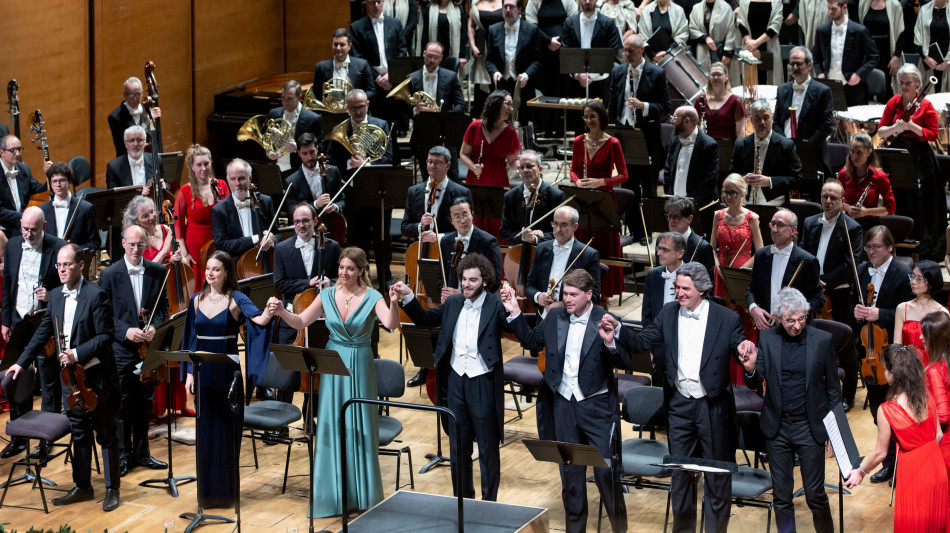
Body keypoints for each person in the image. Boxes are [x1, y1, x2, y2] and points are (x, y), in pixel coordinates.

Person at [606, 262, 757, 533]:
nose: (679, 293)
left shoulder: (726, 318)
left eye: (685, 288)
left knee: (716, 478)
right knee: (680, 477)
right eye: (676, 287)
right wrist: (617, 330)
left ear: (702, 288)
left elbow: (740, 351)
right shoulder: (668, 313)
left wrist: (747, 357)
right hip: (679, 407)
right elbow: (643, 342)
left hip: (713, 407)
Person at [267, 247, 398, 516]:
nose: (344, 273)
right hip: (333, 366)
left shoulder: (373, 296)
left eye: (350, 268)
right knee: (332, 428)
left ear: (361, 270)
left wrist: (394, 302)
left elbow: (390, 323)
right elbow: (301, 320)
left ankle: (362, 497)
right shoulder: (326, 294)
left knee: (358, 426)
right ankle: (333, 496)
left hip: (360, 366)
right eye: (341, 267)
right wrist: (282, 311)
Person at [502, 269, 627, 533]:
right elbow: (533, 341)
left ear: (589, 295)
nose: (567, 299)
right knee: (571, 475)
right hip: (564, 406)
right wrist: (514, 310)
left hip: (596, 407)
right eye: (565, 294)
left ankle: (620, 529)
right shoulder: (556, 315)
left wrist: (611, 344)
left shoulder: (605, 319)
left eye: (573, 295)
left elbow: (623, 362)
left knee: (606, 474)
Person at [5, 244, 121, 512]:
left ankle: (113, 489)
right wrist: (20, 364)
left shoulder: (97, 295)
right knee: (79, 432)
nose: (62, 269)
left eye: (67, 264)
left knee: (105, 432)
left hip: (96, 378)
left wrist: (76, 353)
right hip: (71, 382)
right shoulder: (56, 296)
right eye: (59, 265)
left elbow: (105, 337)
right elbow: (42, 332)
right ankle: (83, 486)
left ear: (81, 266)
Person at [392, 253, 511, 502]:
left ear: (485, 282)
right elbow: (425, 320)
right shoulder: (454, 304)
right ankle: (463, 503)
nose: (467, 284)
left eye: (473, 280)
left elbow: (519, 331)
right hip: (455, 382)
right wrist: (408, 296)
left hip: (482, 382)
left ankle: (490, 504)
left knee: (488, 449)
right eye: (464, 279)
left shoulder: (495, 306)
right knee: (458, 448)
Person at [742, 287, 839, 533]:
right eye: (790, 320)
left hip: (810, 426)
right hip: (778, 428)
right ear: (778, 317)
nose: (797, 325)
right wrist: (751, 368)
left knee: (815, 495)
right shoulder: (767, 339)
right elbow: (755, 381)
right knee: (782, 497)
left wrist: (835, 433)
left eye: (801, 319)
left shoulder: (822, 340)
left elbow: (833, 390)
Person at [181, 250, 274, 509]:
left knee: (226, 432)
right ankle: (207, 496)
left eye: (216, 269)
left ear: (226, 273)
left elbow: (259, 320)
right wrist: (189, 373)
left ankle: (227, 494)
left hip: (227, 374)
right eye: (208, 269)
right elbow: (190, 338)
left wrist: (269, 309)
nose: (210, 273)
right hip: (203, 374)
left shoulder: (237, 299)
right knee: (206, 433)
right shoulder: (196, 301)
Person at [844, 344, 950, 531]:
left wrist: (860, 472)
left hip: (914, 474)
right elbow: (938, 435)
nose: (884, 372)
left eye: (885, 368)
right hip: (937, 470)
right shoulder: (926, 396)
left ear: (893, 374)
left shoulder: (887, 410)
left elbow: (880, 454)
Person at [98, 225, 169, 477]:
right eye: (131, 244)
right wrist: (125, 331)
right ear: (122, 243)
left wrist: (156, 327)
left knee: (145, 400)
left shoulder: (158, 271)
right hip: (122, 350)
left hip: (148, 348)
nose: (136, 249)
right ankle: (124, 454)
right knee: (123, 403)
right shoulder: (109, 274)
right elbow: (104, 316)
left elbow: (163, 308)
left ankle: (142, 452)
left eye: (140, 245)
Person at [0, 207, 65, 458]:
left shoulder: (57, 247)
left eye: (33, 230)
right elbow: (8, 285)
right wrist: (6, 320)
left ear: (44, 226)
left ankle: (44, 440)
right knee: (16, 376)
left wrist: (50, 296)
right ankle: (18, 438)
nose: (28, 234)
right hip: (18, 320)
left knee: (48, 381)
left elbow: (67, 286)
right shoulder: (14, 245)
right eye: (25, 228)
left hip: (44, 322)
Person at [851, 224, 913, 484]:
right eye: (868, 247)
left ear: (890, 247)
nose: (871, 252)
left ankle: (901, 462)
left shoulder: (902, 272)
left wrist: (882, 314)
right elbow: (856, 309)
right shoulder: (863, 271)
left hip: (893, 349)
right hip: (870, 354)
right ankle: (888, 459)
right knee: (878, 409)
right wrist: (856, 313)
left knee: (899, 410)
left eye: (876, 247)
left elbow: (909, 311)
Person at [800, 180, 863, 409]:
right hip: (812, 292)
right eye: (825, 196)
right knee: (810, 341)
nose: (828, 201)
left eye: (833, 198)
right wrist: (811, 279)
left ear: (842, 201)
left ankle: (848, 396)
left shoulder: (851, 227)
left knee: (846, 346)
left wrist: (824, 280)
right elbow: (804, 253)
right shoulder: (809, 222)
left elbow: (850, 264)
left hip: (838, 293)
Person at [324, 89, 395, 288]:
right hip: (353, 193)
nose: (358, 111)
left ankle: (384, 278)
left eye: (362, 106)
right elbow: (331, 161)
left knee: (382, 239)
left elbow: (388, 157)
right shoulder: (341, 129)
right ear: (347, 108)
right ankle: (361, 280)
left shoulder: (381, 125)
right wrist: (350, 165)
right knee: (357, 239)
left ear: (368, 105)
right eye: (354, 107)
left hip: (378, 192)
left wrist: (366, 164)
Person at [877, 63, 945, 261]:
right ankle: (900, 243)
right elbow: (881, 130)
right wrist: (895, 128)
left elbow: (932, 135)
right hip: (898, 155)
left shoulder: (925, 105)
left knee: (921, 202)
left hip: (920, 159)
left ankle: (923, 247)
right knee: (899, 197)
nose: (904, 87)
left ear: (918, 83)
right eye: (901, 83)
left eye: (908, 83)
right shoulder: (894, 102)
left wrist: (911, 126)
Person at [610, 34, 671, 237]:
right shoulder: (618, 71)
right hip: (624, 134)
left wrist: (643, 106)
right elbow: (612, 104)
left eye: (631, 50)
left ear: (642, 49)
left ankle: (649, 231)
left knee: (648, 186)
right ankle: (635, 230)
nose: (627, 54)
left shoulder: (657, 72)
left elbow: (665, 107)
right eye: (625, 50)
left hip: (647, 136)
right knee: (628, 185)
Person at [570, 100, 627, 297]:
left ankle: (603, 295)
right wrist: (577, 182)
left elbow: (623, 175)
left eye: (592, 116)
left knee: (603, 246)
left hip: (604, 198)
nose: (588, 120)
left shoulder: (613, 143)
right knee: (583, 243)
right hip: (583, 198)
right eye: (585, 116)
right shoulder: (578, 141)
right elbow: (573, 171)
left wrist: (600, 182)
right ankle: (581, 291)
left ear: (601, 117)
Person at [273, 203, 342, 346]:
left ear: (315, 221)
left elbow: (341, 280)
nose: (301, 225)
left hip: (323, 314)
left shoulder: (331, 247)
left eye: (305, 220)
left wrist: (331, 283)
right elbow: (280, 284)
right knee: (290, 363)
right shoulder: (282, 249)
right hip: (292, 313)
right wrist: (307, 283)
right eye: (297, 222)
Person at [746, 209, 824, 330]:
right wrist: (753, 308)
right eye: (773, 224)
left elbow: (818, 299)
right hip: (766, 328)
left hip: (796, 329)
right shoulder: (761, 255)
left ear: (793, 230)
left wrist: (794, 313)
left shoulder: (807, 260)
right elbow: (752, 289)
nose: (774, 229)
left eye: (780, 225)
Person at [525, 205, 602, 315]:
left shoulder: (588, 255)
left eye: (564, 225)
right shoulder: (542, 249)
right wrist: (538, 296)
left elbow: (593, 296)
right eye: (555, 224)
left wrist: (564, 305)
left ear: (575, 227)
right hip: (543, 318)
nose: (558, 229)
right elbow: (530, 286)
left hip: (571, 319)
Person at [771, 46, 835, 178]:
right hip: (785, 152)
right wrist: (785, 143)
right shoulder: (782, 90)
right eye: (792, 64)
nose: (795, 67)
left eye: (799, 64)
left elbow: (827, 125)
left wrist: (806, 148)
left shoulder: (822, 91)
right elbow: (776, 122)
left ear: (809, 65)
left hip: (812, 154)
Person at [729, 99, 803, 206]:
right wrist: (742, 179)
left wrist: (769, 181)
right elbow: (731, 175)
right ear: (751, 120)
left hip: (775, 206)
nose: (762, 122)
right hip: (745, 204)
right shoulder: (740, 144)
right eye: (757, 118)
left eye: (766, 117)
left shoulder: (786, 145)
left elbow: (798, 180)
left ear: (772, 119)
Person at [173, 144, 229, 285]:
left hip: (219, 241)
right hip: (195, 248)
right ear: (192, 167)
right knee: (200, 285)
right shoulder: (184, 191)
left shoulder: (221, 184)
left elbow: (230, 213)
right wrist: (184, 254)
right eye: (199, 165)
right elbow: (178, 225)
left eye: (206, 163)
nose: (203, 168)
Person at [348, 0, 408, 126]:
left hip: (393, 81)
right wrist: (377, 77)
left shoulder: (395, 23)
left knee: (392, 124)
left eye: (379, 2)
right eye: (372, 2)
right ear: (366, 4)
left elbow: (402, 52)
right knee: (375, 122)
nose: (376, 5)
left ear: (383, 2)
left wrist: (390, 75)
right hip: (371, 81)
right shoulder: (356, 27)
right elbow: (359, 57)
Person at [210, 159, 278, 269]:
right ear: (227, 180)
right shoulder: (219, 210)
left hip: (266, 261)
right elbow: (222, 245)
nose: (237, 183)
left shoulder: (265, 202)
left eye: (241, 178)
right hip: (236, 267)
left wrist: (272, 239)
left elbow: (277, 234)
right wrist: (254, 239)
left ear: (250, 178)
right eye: (233, 179)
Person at [560, 0, 623, 119]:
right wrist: (579, 74)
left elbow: (613, 52)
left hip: (601, 79)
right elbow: (565, 52)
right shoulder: (569, 22)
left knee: (599, 120)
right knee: (578, 122)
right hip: (577, 81)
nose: (588, 1)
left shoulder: (608, 23)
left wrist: (591, 74)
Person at [813, 0, 880, 106]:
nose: (830, 12)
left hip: (853, 87)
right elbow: (816, 55)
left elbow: (874, 56)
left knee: (854, 121)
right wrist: (820, 73)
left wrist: (859, 74)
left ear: (844, 8)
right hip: (830, 85)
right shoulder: (822, 30)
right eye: (829, 8)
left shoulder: (860, 31)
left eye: (834, 9)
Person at [485, 0, 543, 123]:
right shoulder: (493, 30)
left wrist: (527, 75)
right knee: (500, 121)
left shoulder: (532, 29)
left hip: (523, 84)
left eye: (511, 7)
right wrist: (494, 72)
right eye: (505, 7)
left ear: (520, 9)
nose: (507, 10)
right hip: (501, 84)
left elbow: (537, 61)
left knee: (525, 122)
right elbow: (489, 60)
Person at [401, 146, 473, 242]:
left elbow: (467, 229)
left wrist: (439, 238)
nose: (432, 166)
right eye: (429, 161)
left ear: (447, 165)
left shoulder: (461, 193)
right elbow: (405, 228)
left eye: (437, 162)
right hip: (419, 251)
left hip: (448, 251)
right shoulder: (413, 192)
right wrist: (420, 226)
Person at [710, 174, 763, 297]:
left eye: (733, 193)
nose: (728, 197)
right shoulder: (717, 216)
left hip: (742, 271)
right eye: (725, 192)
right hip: (721, 270)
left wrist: (740, 271)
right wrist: (718, 269)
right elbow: (712, 247)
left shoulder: (752, 218)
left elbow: (760, 251)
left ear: (742, 193)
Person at [439, 198, 503, 297]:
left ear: (472, 214)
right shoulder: (445, 241)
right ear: (451, 220)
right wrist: (444, 293)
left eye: (465, 215)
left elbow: (495, 282)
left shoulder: (488, 242)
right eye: (457, 217)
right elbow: (440, 276)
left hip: (479, 304)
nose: (463, 220)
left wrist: (463, 294)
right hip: (450, 301)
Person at [500, 150, 566, 246]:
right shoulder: (511, 196)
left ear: (540, 168)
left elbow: (561, 231)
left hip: (546, 252)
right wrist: (523, 236)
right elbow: (505, 232)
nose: (525, 170)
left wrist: (535, 239)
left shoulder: (555, 196)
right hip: (518, 252)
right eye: (521, 167)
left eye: (530, 166)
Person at [459, 90, 521, 188]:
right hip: (475, 180)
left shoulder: (511, 132)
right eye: (508, 104)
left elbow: (512, 161)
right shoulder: (475, 126)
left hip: (499, 183)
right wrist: (473, 167)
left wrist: (522, 164)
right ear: (495, 104)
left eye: (511, 105)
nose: (511, 108)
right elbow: (463, 154)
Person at [893, 260, 949, 366]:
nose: (913, 282)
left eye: (919, 279)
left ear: (931, 282)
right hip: (908, 366)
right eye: (912, 277)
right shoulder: (902, 308)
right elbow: (897, 346)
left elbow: (944, 350)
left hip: (932, 366)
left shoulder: (941, 312)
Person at [663, 106, 719, 207]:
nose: (671, 121)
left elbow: (709, 181)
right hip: (674, 203)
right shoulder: (674, 140)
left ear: (687, 120)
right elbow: (668, 172)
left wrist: (689, 204)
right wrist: (671, 197)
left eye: (675, 118)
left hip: (699, 205)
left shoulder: (709, 145)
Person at [838, 132, 896, 228]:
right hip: (847, 224)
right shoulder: (843, 174)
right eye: (852, 151)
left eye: (859, 152)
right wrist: (848, 207)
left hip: (870, 225)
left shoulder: (880, 176)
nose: (854, 156)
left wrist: (866, 212)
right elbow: (836, 200)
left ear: (869, 152)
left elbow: (891, 208)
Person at [39, 162, 99, 251]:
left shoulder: (85, 209)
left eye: (62, 180)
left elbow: (94, 242)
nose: (58, 184)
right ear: (51, 184)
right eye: (54, 181)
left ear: (70, 182)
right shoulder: (42, 210)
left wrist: (74, 252)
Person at [283, 133, 345, 219]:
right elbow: (293, 212)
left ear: (317, 149)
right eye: (305, 153)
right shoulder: (291, 182)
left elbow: (342, 200)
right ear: (299, 153)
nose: (309, 157)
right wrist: (315, 204)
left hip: (333, 224)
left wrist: (335, 206)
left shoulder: (333, 171)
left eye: (312, 152)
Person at [266, 80, 324, 173]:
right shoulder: (274, 113)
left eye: (289, 98)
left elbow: (320, 147)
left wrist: (298, 148)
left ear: (299, 97)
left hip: (299, 170)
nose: (285, 102)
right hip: (276, 168)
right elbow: (267, 140)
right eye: (283, 98)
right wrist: (268, 152)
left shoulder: (313, 119)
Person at [0, 135, 49, 238]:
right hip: (4, 228)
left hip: (23, 226)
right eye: (12, 150)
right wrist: (25, 217)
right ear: (2, 152)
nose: (17, 154)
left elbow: (38, 190)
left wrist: (50, 176)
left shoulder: (23, 168)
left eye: (19, 149)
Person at [659, 196, 716, 283]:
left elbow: (708, 285)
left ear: (689, 219)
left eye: (676, 217)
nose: (671, 220)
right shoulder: (661, 240)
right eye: (669, 216)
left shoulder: (702, 247)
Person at [312, 28, 378, 103]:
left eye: (342, 45)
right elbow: (317, 94)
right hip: (330, 112)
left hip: (355, 110)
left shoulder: (362, 65)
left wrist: (357, 99)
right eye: (335, 44)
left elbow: (372, 91)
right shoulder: (320, 67)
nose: (338, 48)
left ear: (349, 46)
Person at [921, 311, 950, 478]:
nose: (920, 337)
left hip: (944, 445)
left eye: (925, 334)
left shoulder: (935, 371)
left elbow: (943, 415)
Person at [855, 0, 905, 95]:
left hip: (888, 52)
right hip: (868, 53)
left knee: (888, 91)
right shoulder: (863, 3)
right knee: (867, 88)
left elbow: (901, 33)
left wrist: (896, 56)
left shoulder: (894, 5)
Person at [469, 0, 506, 116]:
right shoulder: (476, 4)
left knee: (502, 83)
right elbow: (471, 26)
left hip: (502, 48)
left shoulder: (505, 2)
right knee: (482, 91)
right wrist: (473, 45)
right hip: (483, 49)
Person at [407, 42, 466, 114]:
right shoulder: (411, 78)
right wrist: (415, 110)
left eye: (436, 57)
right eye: (429, 56)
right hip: (420, 123)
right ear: (424, 54)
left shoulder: (451, 77)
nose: (432, 60)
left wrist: (445, 116)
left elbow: (461, 104)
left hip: (443, 123)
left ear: (441, 58)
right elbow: (403, 109)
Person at [694, 62, 745, 140]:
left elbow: (741, 129)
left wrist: (738, 150)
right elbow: (695, 125)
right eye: (713, 75)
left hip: (728, 148)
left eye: (719, 74)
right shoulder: (701, 99)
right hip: (706, 147)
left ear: (726, 77)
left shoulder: (735, 101)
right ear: (709, 78)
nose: (716, 77)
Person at [107, 77, 157, 158]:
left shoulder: (147, 111)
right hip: (127, 163)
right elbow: (123, 147)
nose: (135, 98)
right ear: (125, 95)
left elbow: (153, 139)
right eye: (131, 95)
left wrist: (152, 123)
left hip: (147, 159)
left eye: (138, 94)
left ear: (142, 94)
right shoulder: (115, 117)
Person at [643, 232, 686, 324]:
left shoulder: (692, 276)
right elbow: (646, 314)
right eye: (659, 248)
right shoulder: (652, 274)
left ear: (680, 253)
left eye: (665, 250)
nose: (658, 253)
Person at [737, 0, 784, 84]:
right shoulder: (744, 1)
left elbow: (776, 25)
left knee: (770, 86)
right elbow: (741, 23)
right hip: (749, 49)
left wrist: (756, 43)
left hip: (770, 48)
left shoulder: (776, 2)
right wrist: (752, 46)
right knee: (750, 88)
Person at [122, 196, 175, 264]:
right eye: (145, 216)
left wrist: (180, 257)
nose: (151, 217)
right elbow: (143, 270)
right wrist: (164, 251)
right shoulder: (136, 240)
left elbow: (184, 261)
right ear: (136, 221)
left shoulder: (165, 229)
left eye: (152, 211)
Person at [688, 0, 738, 69]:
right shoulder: (696, 8)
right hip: (702, 51)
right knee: (704, 77)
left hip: (720, 52)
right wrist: (705, 38)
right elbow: (692, 29)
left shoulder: (726, 8)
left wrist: (728, 53)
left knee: (720, 76)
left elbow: (731, 31)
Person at [105, 126, 155, 192]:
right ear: (125, 144)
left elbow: (167, 186)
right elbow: (112, 196)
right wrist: (136, 194)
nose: (136, 144)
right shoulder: (114, 167)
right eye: (131, 140)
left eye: (139, 140)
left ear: (145, 142)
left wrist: (164, 186)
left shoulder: (155, 160)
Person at [422, 0, 469, 69]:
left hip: (452, 51)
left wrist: (462, 56)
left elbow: (463, 34)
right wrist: (424, 54)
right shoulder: (429, 8)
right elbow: (425, 34)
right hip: (434, 53)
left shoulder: (459, 9)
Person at [914, 0, 950, 90]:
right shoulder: (924, 9)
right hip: (928, 61)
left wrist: (947, 61)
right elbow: (918, 37)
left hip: (948, 62)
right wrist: (925, 58)